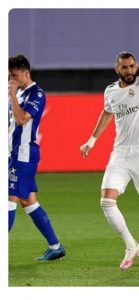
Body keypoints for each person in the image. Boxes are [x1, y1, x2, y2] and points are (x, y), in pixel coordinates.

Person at [80, 20, 139, 275]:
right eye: (124, 67)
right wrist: (92, 139)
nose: (129, 70)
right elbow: (106, 114)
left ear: (136, 66)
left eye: (132, 66)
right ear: (117, 69)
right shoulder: (110, 91)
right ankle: (131, 246)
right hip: (120, 153)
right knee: (106, 202)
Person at [8, 54, 66, 261]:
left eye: (14, 76)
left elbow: (22, 119)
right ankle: (55, 246)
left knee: (8, 199)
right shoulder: (17, 92)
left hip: (23, 154)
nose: (11, 81)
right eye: (9, 77)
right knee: (28, 202)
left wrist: (12, 95)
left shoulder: (36, 94)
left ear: (26, 72)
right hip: (12, 153)